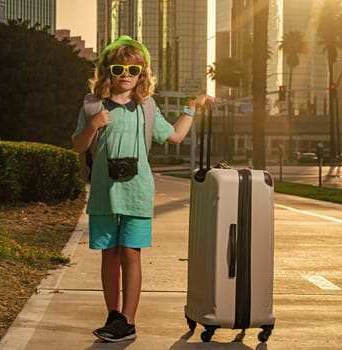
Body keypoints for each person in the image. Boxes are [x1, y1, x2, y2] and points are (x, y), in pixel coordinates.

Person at [71, 35, 213, 343]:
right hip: (104, 193)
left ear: (142, 74)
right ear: (107, 71)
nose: (125, 75)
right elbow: (78, 145)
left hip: (137, 191)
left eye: (133, 70)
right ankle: (113, 315)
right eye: (119, 68)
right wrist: (92, 126)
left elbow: (173, 137)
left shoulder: (146, 107)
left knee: (130, 254)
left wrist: (191, 108)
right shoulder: (93, 105)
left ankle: (129, 320)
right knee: (108, 254)